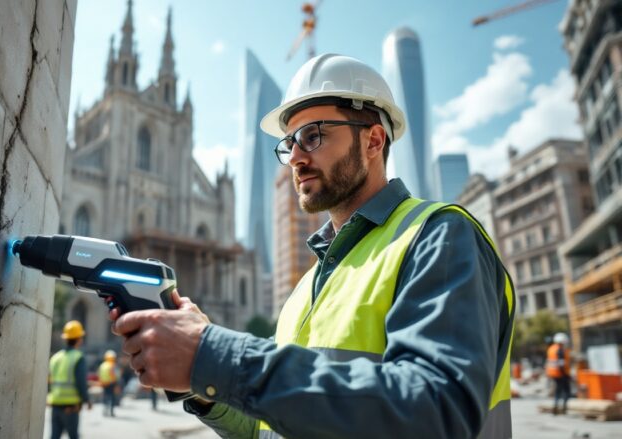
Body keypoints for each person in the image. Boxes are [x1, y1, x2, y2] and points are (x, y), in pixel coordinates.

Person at [111, 54, 515, 439]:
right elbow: (270, 427)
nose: (295, 158)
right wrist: (201, 382)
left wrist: (211, 353)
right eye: (290, 143)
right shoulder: (307, 287)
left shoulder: (438, 236)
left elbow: (433, 414)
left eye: (313, 135)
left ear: (374, 141)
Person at [48, 320, 91, 439]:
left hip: (55, 403)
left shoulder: (55, 358)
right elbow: (81, 382)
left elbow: (49, 381)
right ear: (79, 339)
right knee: (73, 436)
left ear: (65, 338)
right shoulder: (78, 357)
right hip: (71, 406)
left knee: (54, 436)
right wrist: (86, 399)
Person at [546, 332, 571, 415]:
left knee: (558, 391)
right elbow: (561, 364)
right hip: (561, 373)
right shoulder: (560, 350)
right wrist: (566, 374)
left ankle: (556, 405)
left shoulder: (551, 349)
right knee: (566, 391)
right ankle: (564, 408)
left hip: (553, 374)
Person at [98, 350, 119, 417]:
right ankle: (111, 412)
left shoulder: (102, 365)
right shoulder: (112, 365)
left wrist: (101, 382)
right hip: (111, 383)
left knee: (105, 396)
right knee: (112, 397)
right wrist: (116, 383)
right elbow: (113, 374)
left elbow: (99, 374)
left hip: (104, 383)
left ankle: (105, 410)